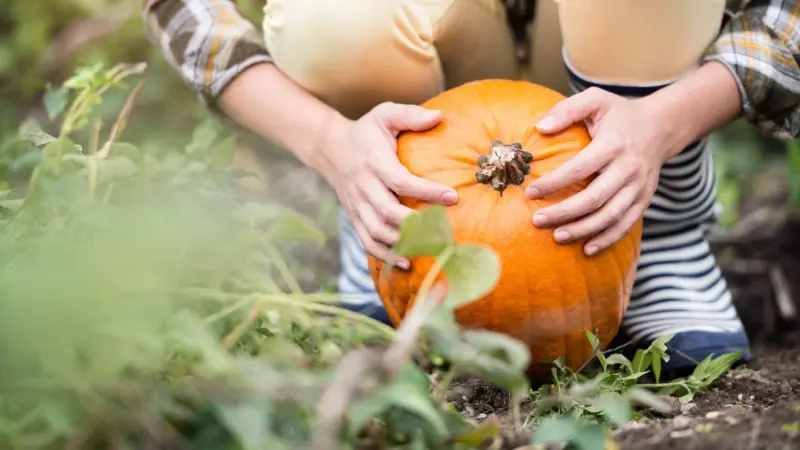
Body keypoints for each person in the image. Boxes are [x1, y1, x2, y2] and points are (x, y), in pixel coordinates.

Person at [142, 0, 800, 377]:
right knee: (336, 16)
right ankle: (386, 195)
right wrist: (328, 142)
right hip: (432, 50)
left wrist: (664, 123)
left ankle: (657, 227)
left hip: (629, 57)